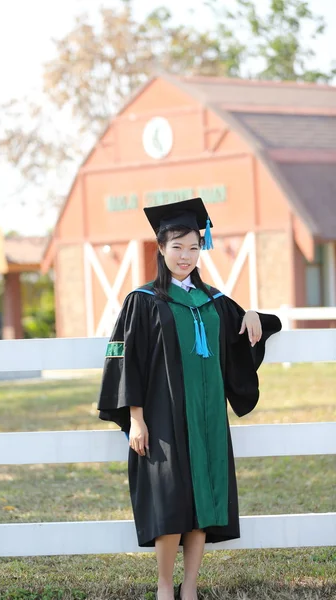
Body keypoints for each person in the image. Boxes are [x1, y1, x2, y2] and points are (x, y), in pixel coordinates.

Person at [97, 198, 281, 600]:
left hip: (207, 418)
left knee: (203, 503)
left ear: (203, 248)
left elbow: (258, 329)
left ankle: (191, 587)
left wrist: (253, 315)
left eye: (194, 246)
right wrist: (136, 419)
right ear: (161, 248)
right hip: (161, 419)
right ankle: (165, 587)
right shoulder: (143, 301)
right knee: (169, 504)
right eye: (177, 246)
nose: (186, 256)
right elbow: (128, 360)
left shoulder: (213, 301)